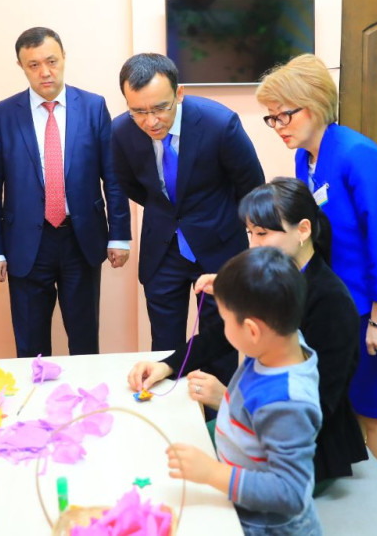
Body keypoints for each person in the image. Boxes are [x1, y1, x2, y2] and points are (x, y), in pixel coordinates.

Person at [255, 53, 377, 476]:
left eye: (284, 115)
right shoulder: (305, 158)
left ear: (315, 105)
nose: (278, 126)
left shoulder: (358, 155)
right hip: (346, 302)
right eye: (271, 118)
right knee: (346, 404)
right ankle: (357, 494)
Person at [129, 177, 367, 490]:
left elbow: (315, 409)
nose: (253, 245)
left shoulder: (331, 302)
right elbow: (220, 334)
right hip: (257, 428)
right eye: (250, 233)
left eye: (263, 234)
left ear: (303, 230)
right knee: (166, 449)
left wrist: (228, 402)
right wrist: (168, 365)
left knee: (183, 473)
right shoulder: (274, 280)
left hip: (301, 456)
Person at [111, 53, 264, 384]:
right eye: (139, 111)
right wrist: (169, 215)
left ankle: (215, 414)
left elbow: (251, 187)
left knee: (219, 343)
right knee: (164, 348)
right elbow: (132, 186)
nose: (151, 121)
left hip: (219, 249)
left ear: (178, 93)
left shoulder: (219, 124)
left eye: (160, 108)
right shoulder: (121, 131)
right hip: (162, 250)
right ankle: (170, 412)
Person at [0, 27, 130, 357]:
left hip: (81, 239)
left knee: (84, 339)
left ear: (64, 58)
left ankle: (87, 391)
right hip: (25, 244)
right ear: (21, 66)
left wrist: (119, 235)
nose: (45, 72)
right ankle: (36, 392)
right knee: (30, 344)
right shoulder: (2, 115)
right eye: (33, 65)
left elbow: (113, 177)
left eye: (51, 61)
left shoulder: (92, 107)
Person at [166, 246, 322, 535]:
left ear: (251, 331)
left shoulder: (286, 403)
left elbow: (290, 492)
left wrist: (213, 473)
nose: (224, 327)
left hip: (265, 526)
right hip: (240, 505)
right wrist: (230, 290)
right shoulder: (280, 340)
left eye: (226, 320)